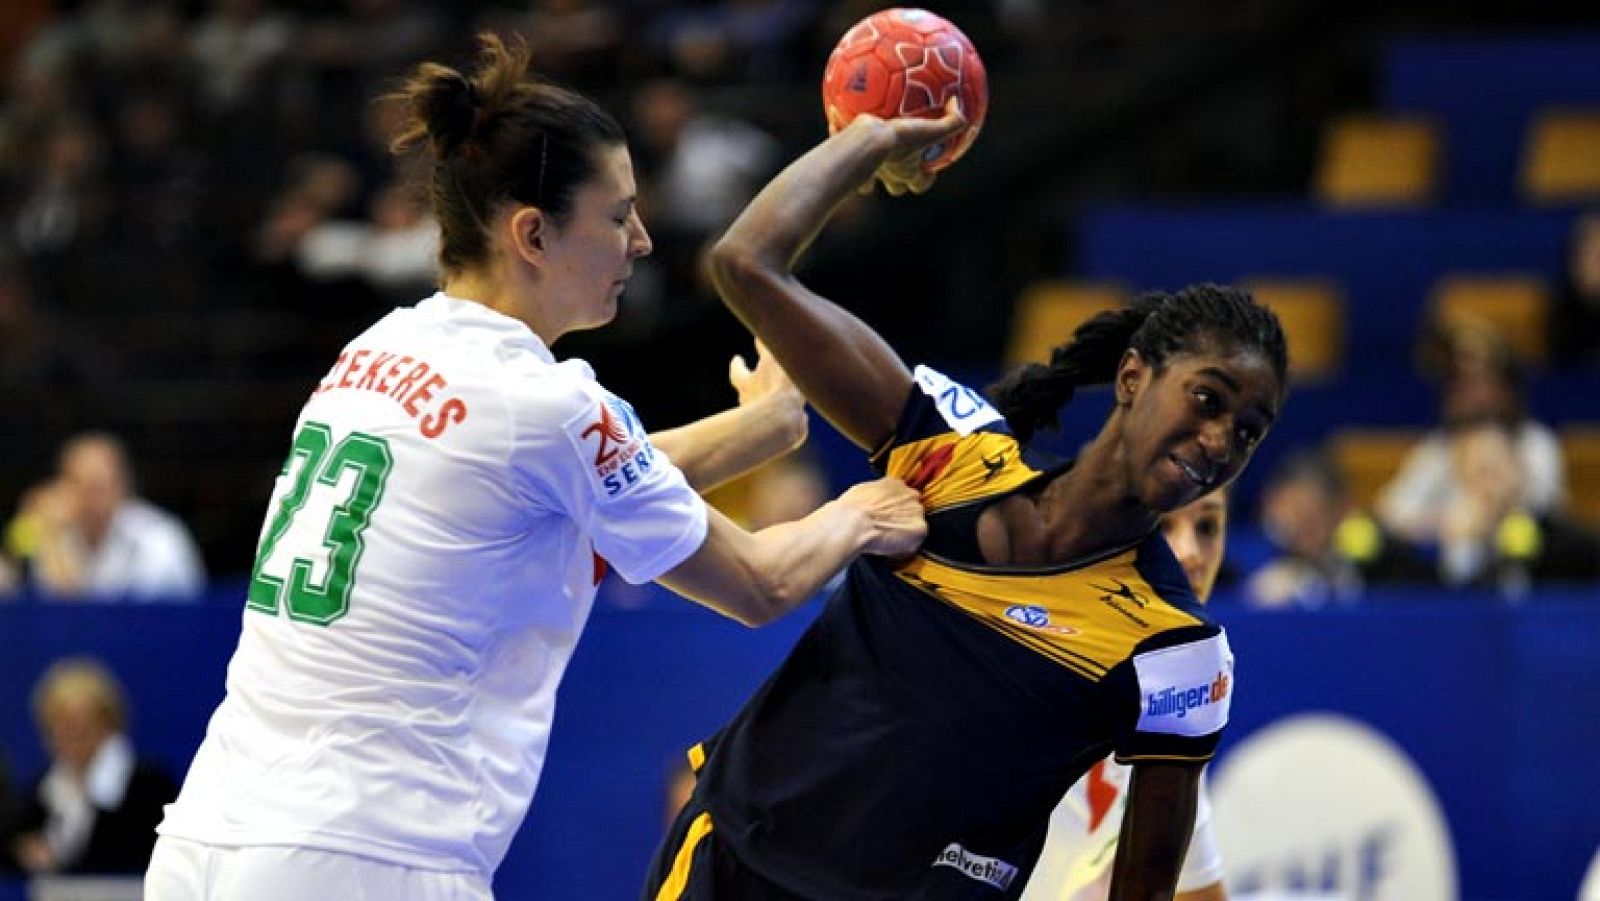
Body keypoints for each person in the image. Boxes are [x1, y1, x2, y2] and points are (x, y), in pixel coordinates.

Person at [145, 35, 925, 901]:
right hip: (371, 855)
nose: (641, 238)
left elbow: (571, 486)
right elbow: (758, 583)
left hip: (205, 838)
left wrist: (765, 427)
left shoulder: (374, 351)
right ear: (532, 232)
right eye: (618, 213)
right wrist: (866, 509)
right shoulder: (546, 405)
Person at [645, 104, 1287, 899]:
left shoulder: (1177, 651)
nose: (1221, 440)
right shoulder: (949, 449)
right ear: (1132, 377)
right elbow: (746, 263)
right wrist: (870, 141)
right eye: (1208, 398)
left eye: (1249, 432)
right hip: (731, 869)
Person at [1024, 490, 1233, 900]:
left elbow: (1199, 890)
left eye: (1207, 527)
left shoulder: (1177, 701)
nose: (1189, 553)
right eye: (1161, 525)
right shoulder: (1030, 669)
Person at [1376, 319, 1564, 543]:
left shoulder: (1536, 443)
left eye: (1485, 385)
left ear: (1507, 389)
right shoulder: (1438, 449)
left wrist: (1496, 505)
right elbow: (1391, 511)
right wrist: (1445, 523)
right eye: (1464, 387)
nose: (1475, 398)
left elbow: (1544, 508)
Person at [9, 658, 176, 875]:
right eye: (58, 724)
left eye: (80, 724)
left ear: (109, 722)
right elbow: (13, 848)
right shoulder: (43, 788)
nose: (69, 735)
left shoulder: (149, 787)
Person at [9, 432, 205, 600]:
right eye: (80, 486)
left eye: (98, 485)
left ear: (123, 485)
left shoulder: (159, 538)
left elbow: (99, 617)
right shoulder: (51, 531)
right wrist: (48, 535)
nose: (90, 500)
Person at [1245, 449, 1432, 609]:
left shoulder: (1391, 566)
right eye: (1292, 517)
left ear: (1342, 510)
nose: (1300, 530)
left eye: (1311, 518)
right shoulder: (1261, 575)